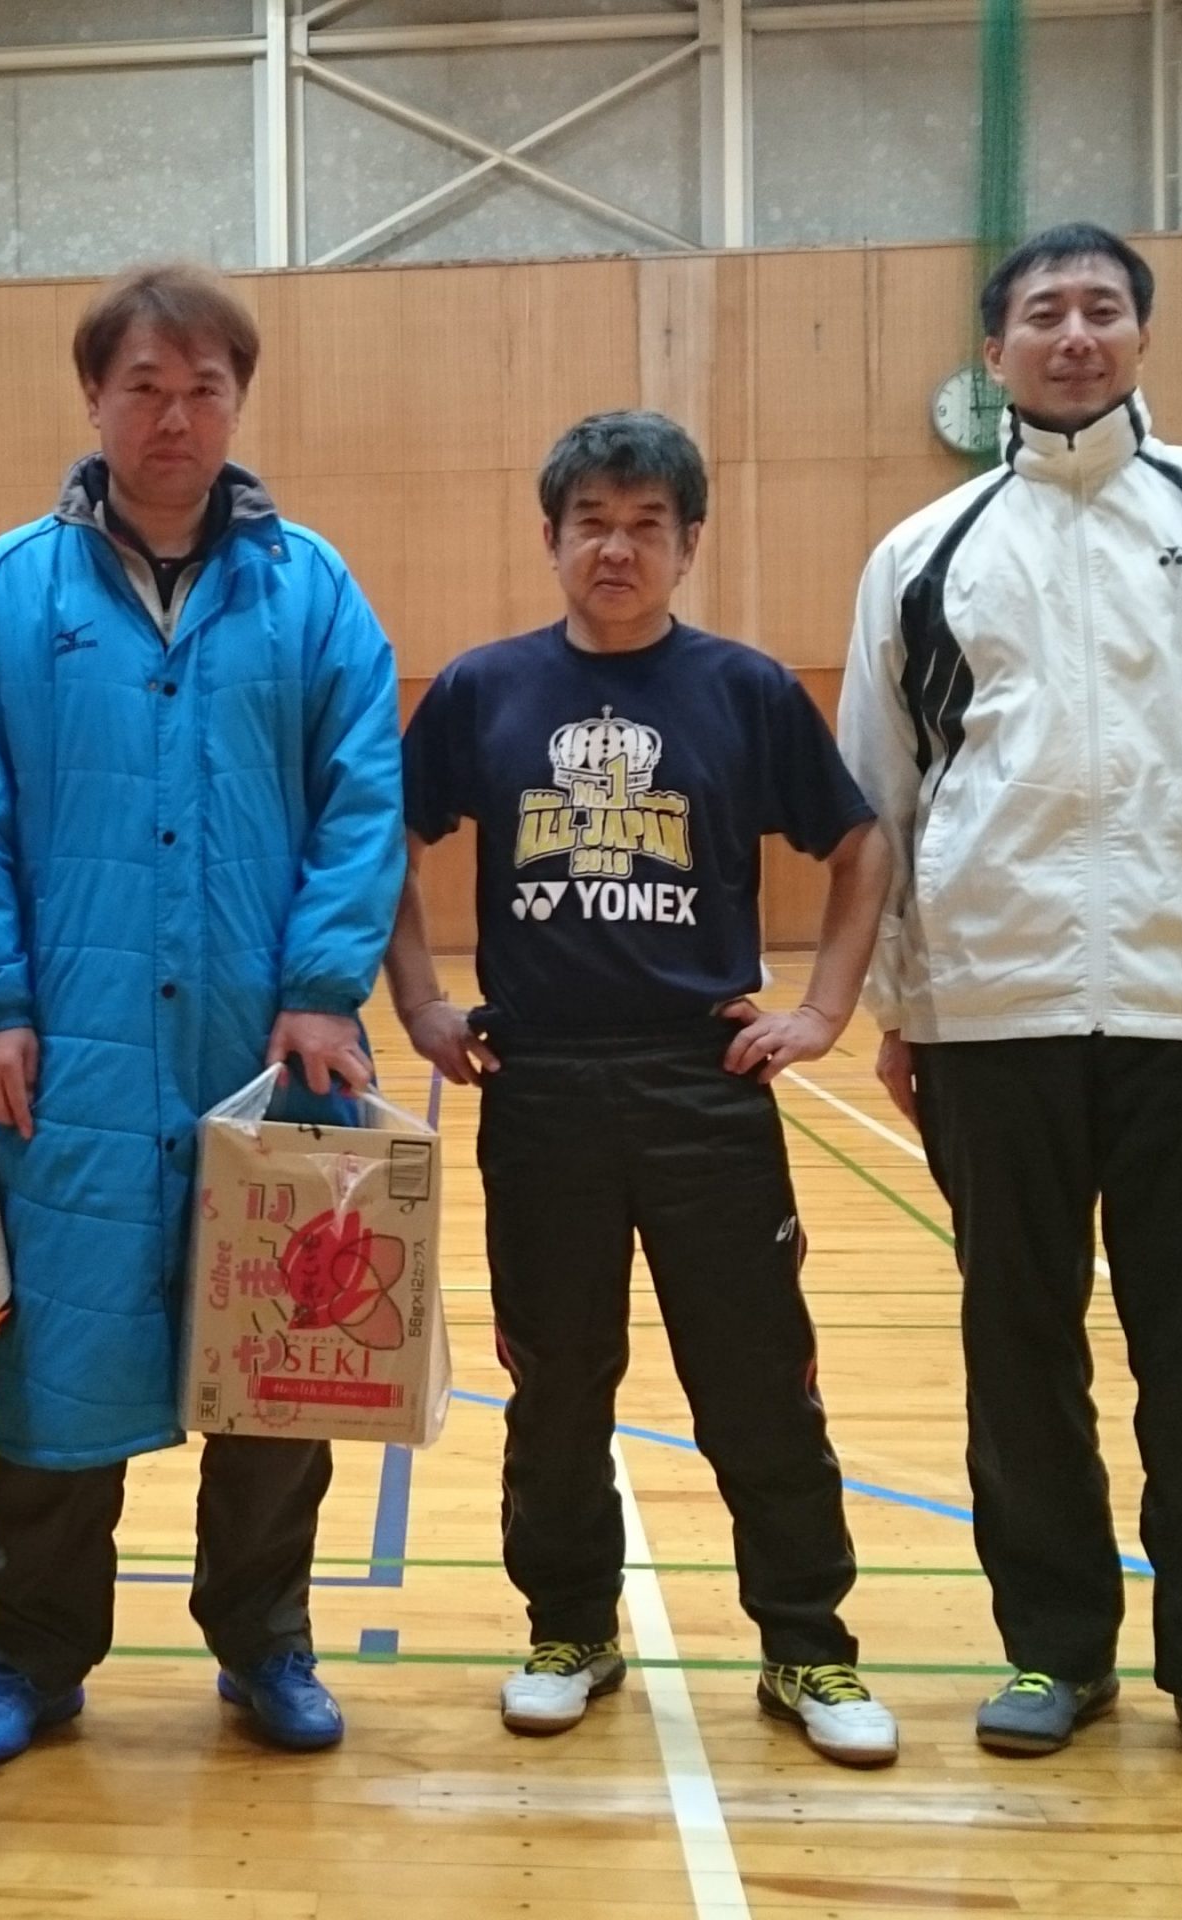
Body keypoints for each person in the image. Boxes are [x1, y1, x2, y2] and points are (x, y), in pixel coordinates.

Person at [838, 223, 1182, 1791]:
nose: (1072, 334)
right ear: (993, 352)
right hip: (994, 1012)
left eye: (1100, 310)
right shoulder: (924, 551)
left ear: (1142, 337)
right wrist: (901, 1002)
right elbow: (880, 794)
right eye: (1042, 313)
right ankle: (1054, 1651)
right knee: (1019, 1353)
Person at [0, 262, 404, 1769]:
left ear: (238, 403)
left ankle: (265, 1643)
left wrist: (322, 985)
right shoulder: (6, 593)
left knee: (277, 1357)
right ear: (93, 398)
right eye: (144, 388)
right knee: (61, 1367)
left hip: (269, 1048)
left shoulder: (311, 590)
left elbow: (362, 798)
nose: (173, 417)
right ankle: (30, 1654)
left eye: (203, 390)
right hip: (70, 1051)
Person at [384, 411, 901, 1765]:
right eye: (592, 524)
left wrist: (824, 1009)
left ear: (688, 544)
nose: (616, 548)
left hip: (702, 1083)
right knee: (557, 1385)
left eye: (645, 526)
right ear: (551, 537)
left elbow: (860, 845)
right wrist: (422, 1002)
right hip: (539, 1083)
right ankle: (569, 1630)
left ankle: (808, 1647)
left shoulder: (744, 690)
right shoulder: (484, 689)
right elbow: (383, 839)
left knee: (756, 1382)